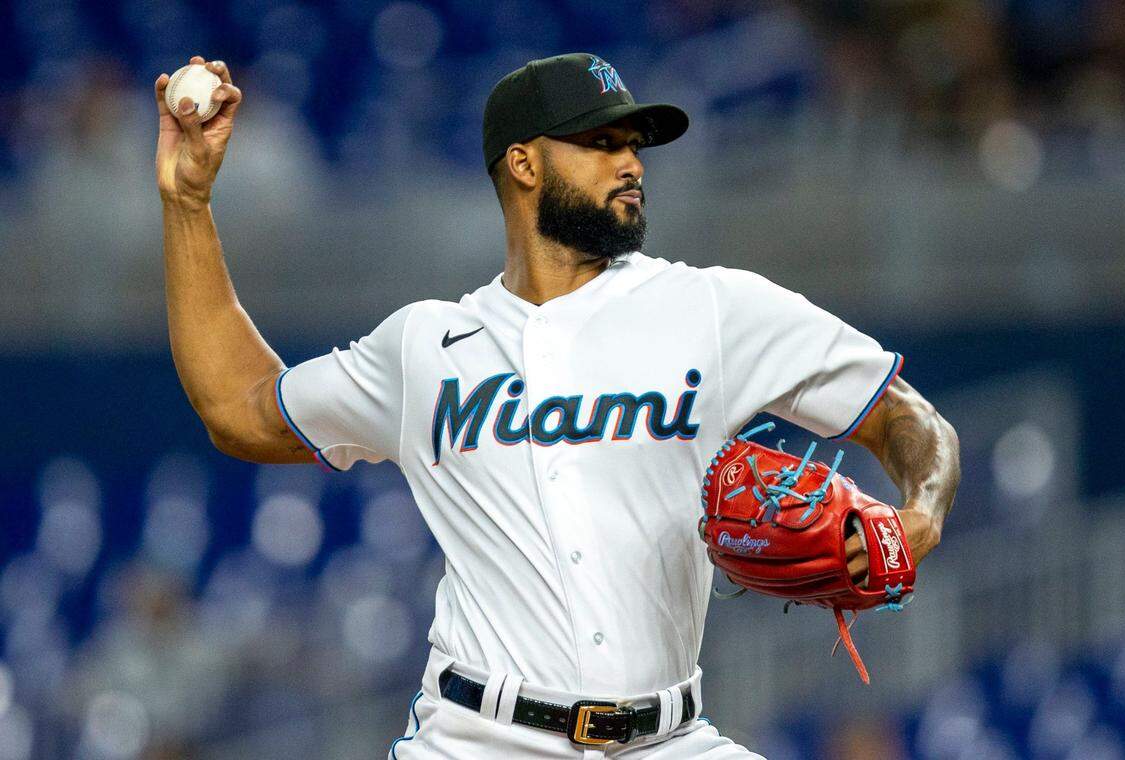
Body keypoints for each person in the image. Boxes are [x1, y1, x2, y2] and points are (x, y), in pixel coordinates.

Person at [155, 52, 960, 759]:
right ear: (524, 163)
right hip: (477, 738)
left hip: (668, 739)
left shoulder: (712, 309)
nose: (631, 163)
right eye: (601, 142)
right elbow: (239, 407)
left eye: (634, 144)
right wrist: (188, 204)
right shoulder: (426, 348)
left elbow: (906, 417)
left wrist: (918, 514)